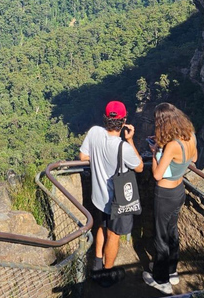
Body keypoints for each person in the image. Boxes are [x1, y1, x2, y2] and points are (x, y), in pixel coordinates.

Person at [79, 100, 144, 286]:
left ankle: (97, 265)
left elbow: (83, 157)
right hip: (117, 201)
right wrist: (130, 140)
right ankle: (106, 274)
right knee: (114, 236)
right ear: (124, 121)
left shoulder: (94, 132)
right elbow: (139, 167)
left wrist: (98, 157)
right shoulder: (123, 148)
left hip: (98, 196)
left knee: (102, 225)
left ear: (105, 118)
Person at [143, 102, 198, 294]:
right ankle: (172, 271)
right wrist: (162, 146)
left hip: (165, 194)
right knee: (172, 232)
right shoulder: (190, 135)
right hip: (179, 191)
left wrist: (154, 153)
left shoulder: (173, 146)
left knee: (161, 237)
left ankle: (161, 280)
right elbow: (194, 158)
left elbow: (158, 174)